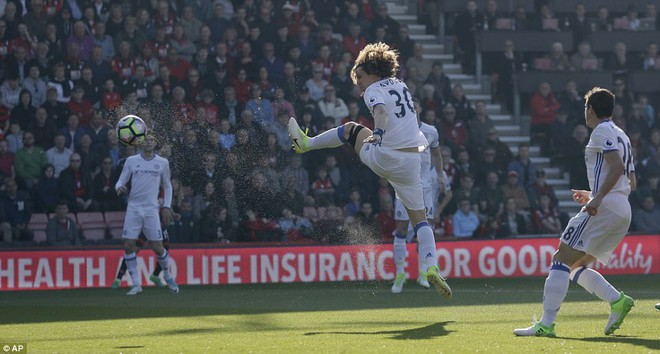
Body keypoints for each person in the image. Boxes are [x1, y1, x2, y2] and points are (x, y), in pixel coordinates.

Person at [287, 42, 451, 299]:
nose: (359, 83)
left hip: (386, 156)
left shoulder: (373, 89)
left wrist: (379, 132)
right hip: (412, 163)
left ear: (373, 71)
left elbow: (382, 113)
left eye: (360, 77)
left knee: (351, 129)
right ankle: (431, 265)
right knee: (421, 220)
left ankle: (305, 144)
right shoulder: (402, 85)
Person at [514, 87, 636, 337]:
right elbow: (630, 181)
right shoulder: (622, 134)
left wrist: (598, 199)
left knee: (560, 258)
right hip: (623, 208)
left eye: (585, 109)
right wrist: (594, 194)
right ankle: (617, 300)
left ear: (590, 110)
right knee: (573, 266)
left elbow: (616, 168)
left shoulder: (602, 130)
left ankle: (546, 325)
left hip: (606, 206)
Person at [392, 97, 447, 293]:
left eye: (415, 106)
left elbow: (437, 154)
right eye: (409, 106)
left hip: (425, 187)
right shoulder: (397, 128)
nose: (412, 108)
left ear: (420, 108)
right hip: (404, 185)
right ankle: (400, 275)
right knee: (401, 227)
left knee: (427, 227)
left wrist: (439, 174)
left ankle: (423, 273)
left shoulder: (431, 131)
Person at [115, 133, 178, 295]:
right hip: (134, 208)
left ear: (155, 143)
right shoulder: (131, 161)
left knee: (158, 247)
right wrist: (119, 187)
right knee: (129, 245)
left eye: (152, 140)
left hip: (151, 209)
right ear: (140, 143)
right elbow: (121, 180)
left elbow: (168, 187)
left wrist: (167, 207)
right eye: (146, 140)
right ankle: (136, 284)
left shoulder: (162, 163)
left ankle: (168, 276)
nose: (149, 142)